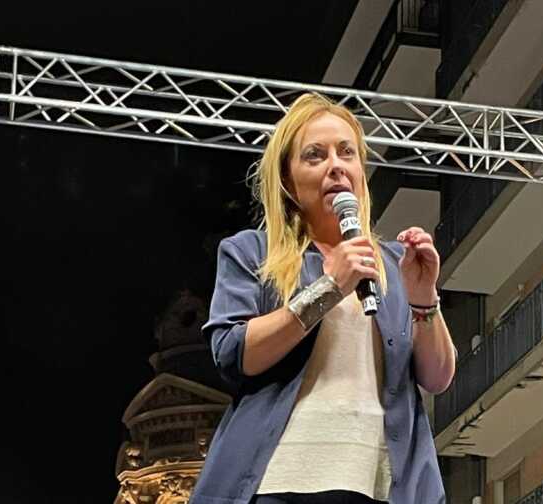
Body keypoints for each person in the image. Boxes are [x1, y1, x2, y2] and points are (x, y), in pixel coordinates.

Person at [189, 92, 456, 504]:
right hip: (279, 482)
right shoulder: (251, 252)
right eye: (315, 155)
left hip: (380, 484)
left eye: (347, 152)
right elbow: (233, 353)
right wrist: (330, 287)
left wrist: (423, 298)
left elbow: (437, 378)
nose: (336, 166)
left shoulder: (394, 263)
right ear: (287, 180)